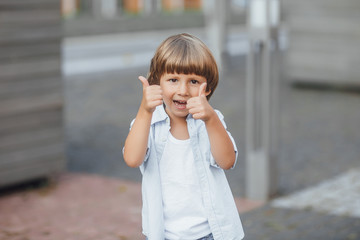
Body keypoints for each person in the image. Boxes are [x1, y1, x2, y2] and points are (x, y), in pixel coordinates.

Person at [123, 33, 244, 240]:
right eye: (173, 80)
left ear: (208, 89)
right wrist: (144, 111)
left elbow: (227, 161)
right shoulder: (147, 124)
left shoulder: (212, 121)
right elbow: (133, 159)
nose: (183, 90)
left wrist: (211, 120)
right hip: (165, 234)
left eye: (194, 81)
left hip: (212, 233)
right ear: (156, 83)